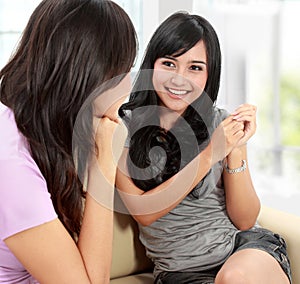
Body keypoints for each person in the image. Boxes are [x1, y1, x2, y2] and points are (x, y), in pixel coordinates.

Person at [116, 12, 292, 284]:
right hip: (180, 273)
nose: (179, 79)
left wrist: (235, 149)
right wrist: (212, 152)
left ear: (210, 75)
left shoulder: (220, 122)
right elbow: (144, 211)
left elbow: (245, 220)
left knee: (234, 278)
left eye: (195, 68)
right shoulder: (123, 129)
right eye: (169, 64)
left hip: (241, 251)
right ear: (152, 64)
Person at [0, 0, 137, 283]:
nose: (129, 86)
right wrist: (104, 162)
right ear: (89, 72)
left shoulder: (35, 134)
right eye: (124, 71)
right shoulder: (11, 166)